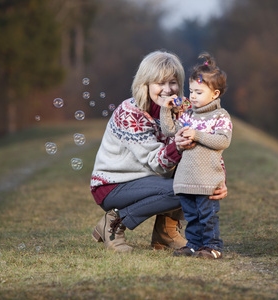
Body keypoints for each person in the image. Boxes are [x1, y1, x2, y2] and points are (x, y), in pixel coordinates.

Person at [90, 50, 228, 253]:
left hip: (149, 180)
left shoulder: (183, 110)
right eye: (159, 83)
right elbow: (156, 162)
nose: (167, 89)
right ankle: (113, 222)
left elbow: (204, 149)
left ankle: (165, 232)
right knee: (184, 187)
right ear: (145, 84)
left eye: (172, 82)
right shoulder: (131, 112)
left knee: (195, 179)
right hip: (115, 184)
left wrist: (219, 179)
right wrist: (178, 145)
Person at [159, 52, 232, 259]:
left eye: (199, 92)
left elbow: (223, 141)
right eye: (191, 91)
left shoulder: (220, 116)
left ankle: (212, 246)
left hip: (207, 178)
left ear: (215, 94)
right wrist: (166, 111)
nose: (192, 96)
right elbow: (169, 131)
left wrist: (197, 134)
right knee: (191, 216)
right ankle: (193, 244)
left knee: (207, 216)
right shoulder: (188, 115)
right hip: (186, 178)